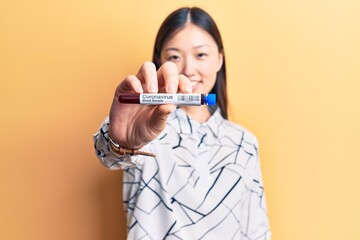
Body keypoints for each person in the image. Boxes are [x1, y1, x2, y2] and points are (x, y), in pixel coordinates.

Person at [93, 7, 271, 240]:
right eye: (175, 56)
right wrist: (121, 142)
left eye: (201, 55)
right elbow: (107, 155)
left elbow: (257, 231)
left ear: (219, 58)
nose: (188, 69)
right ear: (160, 62)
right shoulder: (146, 130)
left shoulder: (245, 143)